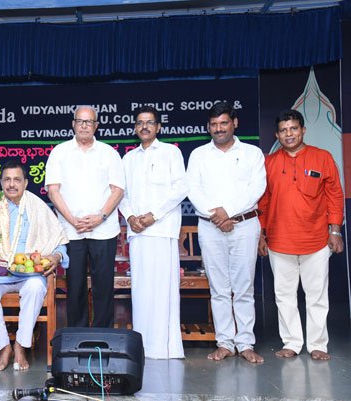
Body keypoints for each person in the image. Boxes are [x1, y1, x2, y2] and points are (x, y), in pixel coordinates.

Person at [0, 160, 68, 371]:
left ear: (25, 183)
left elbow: (59, 243)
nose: (12, 184)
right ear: (1, 183)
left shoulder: (38, 207)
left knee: (36, 287)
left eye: (17, 179)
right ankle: (4, 347)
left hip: (28, 274)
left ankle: (21, 345)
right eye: (7, 180)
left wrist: (57, 257)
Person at [258, 109, 344, 361]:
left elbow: (335, 195)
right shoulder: (269, 163)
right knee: (284, 296)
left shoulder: (322, 157)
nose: (289, 134)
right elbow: (263, 201)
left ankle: (318, 344)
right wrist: (261, 234)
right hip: (279, 241)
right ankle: (292, 342)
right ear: (277, 135)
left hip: (316, 240)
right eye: (283, 130)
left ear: (303, 130)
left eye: (293, 128)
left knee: (317, 296)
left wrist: (335, 230)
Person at [186, 101, 266, 363]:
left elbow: (257, 188)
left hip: (244, 225)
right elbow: (193, 189)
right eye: (214, 124)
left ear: (235, 123)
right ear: (208, 127)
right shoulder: (199, 154)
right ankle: (225, 343)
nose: (219, 128)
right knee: (219, 288)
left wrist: (228, 212)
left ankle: (245, 343)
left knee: (243, 288)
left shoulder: (252, 153)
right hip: (210, 228)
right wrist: (218, 216)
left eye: (223, 123)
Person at [45, 105, 124, 328]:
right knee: (75, 285)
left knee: (104, 286)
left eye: (89, 122)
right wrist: (72, 220)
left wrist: (101, 216)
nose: (84, 126)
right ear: (73, 124)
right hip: (72, 231)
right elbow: (53, 190)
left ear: (96, 126)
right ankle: (77, 335)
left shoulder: (109, 153)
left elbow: (118, 190)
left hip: (103, 229)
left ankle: (103, 335)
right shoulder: (59, 152)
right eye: (80, 121)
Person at [119, 106, 187, 359]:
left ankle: (165, 348)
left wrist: (153, 216)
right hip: (138, 233)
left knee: (163, 291)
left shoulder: (171, 152)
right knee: (141, 292)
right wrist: (131, 217)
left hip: (163, 230)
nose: (144, 126)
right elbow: (121, 194)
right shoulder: (128, 159)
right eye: (140, 122)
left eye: (149, 122)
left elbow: (180, 189)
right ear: (135, 128)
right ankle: (143, 347)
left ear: (158, 127)